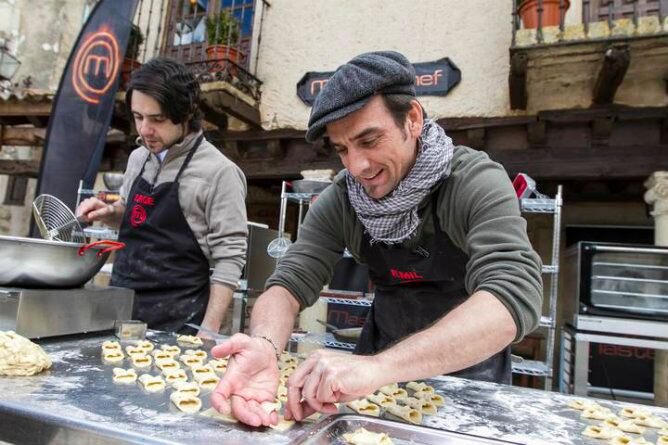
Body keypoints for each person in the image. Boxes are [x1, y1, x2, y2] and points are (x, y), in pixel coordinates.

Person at [209, 51, 543, 426]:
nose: (357, 166)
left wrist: (381, 367)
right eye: (343, 149)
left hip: (468, 374)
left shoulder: (473, 182)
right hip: (372, 373)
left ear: (412, 119)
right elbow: (288, 284)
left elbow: (513, 296)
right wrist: (265, 345)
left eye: (369, 140)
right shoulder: (344, 198)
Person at [76, 57, 248, 337]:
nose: (144, 130)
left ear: (186, 114)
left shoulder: (219, 173)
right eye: (138, 117)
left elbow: (230, 258)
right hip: (121, 311)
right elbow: (133, 215)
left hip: (179, 321)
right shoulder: (138, 158)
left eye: (157, 119)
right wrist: (111, 213)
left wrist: (208, 330)